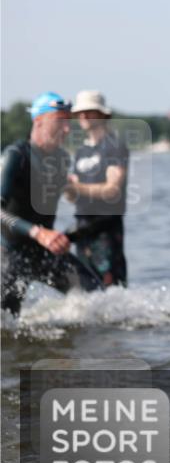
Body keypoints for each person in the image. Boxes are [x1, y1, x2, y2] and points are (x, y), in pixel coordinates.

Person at [1, 93, 103, 316]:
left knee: (97, 300)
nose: (67, 129)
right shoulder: (14, 156)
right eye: (59, 121)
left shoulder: (62, 159)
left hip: (44, 252)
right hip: (9, 253)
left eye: (68, 123)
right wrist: (37, 232)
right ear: (38, 122)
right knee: (6, 324)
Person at [65, 91, 129, 287]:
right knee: (85, 287)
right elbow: (73, 198)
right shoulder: (81, 151)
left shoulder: (114, 146)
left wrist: (75, 187)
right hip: (82, 226)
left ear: (102, 114)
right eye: (80, 111)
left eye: (89, 111)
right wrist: (63, 187)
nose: (83, 116)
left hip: (105, 227)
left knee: (111, 289)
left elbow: (112, 190)